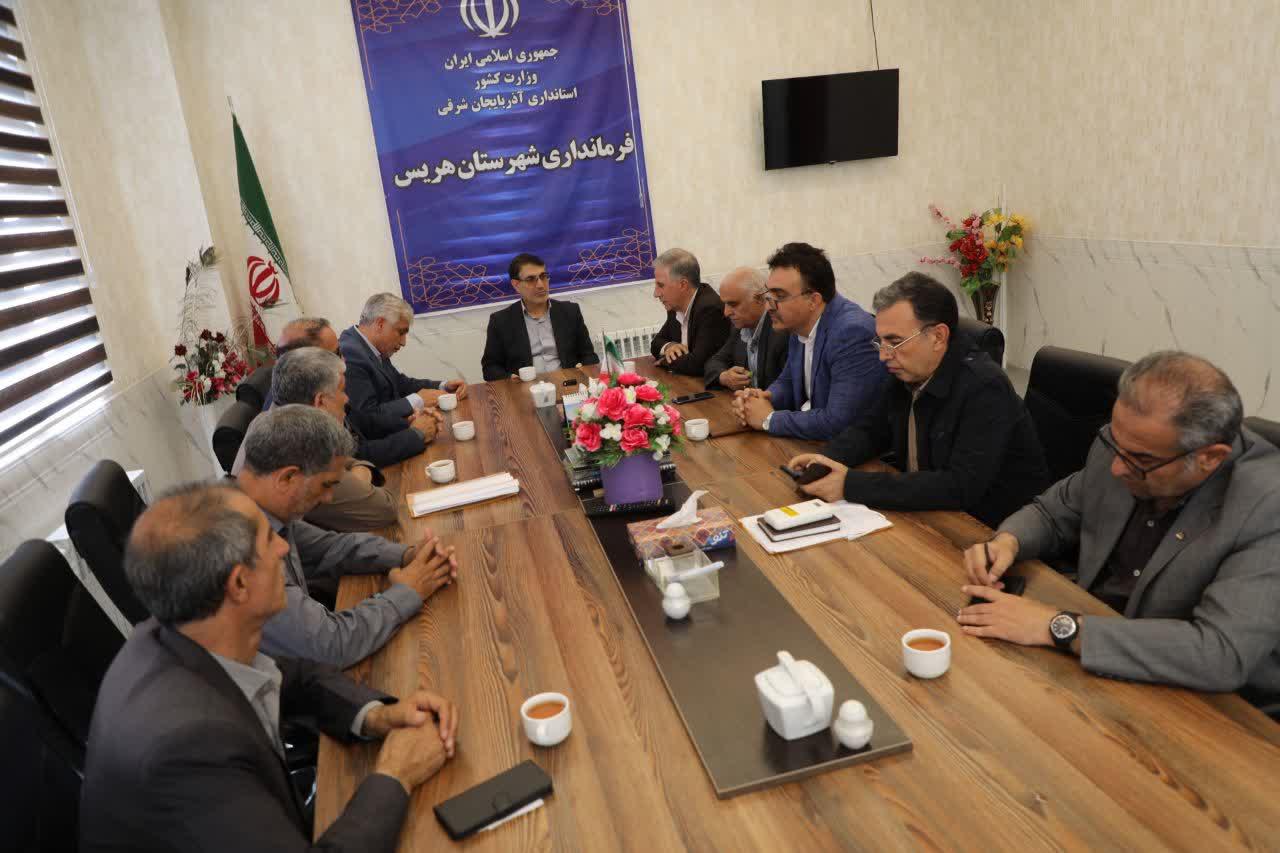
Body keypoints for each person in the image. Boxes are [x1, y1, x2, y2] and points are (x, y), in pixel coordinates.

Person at [80, 482, 459, 851]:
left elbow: (291, 677)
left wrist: (377, 715)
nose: (284, 547)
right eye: (268, 540)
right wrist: (395, 775)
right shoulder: (191, 751)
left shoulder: (178, 631)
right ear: (239, 584)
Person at [958, 351, 1280, 696]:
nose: (1116, 468)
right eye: (1115, 443)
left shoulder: (1266, 505)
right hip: (1092, 650)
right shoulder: (1125, 445)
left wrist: (1057, 626)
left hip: (1199, 698)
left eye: (1141, 460)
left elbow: (1219, 654)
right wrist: (1008, 541)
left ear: (1209, 458)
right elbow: (1052, 512)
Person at [788, 272, 1051, 527]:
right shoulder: (907, 369)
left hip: (990, 530)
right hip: (927, 513)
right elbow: (871, 430)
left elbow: (959, 486)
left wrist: (850, 485)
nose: (883, 355)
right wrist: (825, 460)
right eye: (880, 342)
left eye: (894, 342)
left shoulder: (985, 387)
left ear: (938, 337)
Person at [236, 405, 459, 669]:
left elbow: (332, 547)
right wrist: (409, 590)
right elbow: (330, 644)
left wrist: (407, 555)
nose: (329, 497)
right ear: (288, 478)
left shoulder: (259, 511)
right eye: (326, 485)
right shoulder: (240, 546)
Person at [732, 242, 886, 441]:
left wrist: (769, 419)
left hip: (851, 451)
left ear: (813, 300)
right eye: (768, 295)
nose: (769, 306)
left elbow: (838, 422)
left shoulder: (852, 333)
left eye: (779, 296)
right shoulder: (799, 323)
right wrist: (761, 399)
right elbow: (788, 381)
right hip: (812, 442)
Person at [267, 347, 397, 531]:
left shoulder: (279, 418)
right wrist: (359, 479)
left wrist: (359, 471)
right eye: (342, 390)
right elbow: (385, 508)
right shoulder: (301, 450)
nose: (347, 399)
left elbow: (351, 460)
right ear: (320, 401)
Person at [339, 293, 467, 421]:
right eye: (401, 333)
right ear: (380, 324)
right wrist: (418, 400)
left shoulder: (372, 346)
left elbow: (399, 383)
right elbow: (367, 416)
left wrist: (443, 386)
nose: (403, 342)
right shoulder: (350, 353)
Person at [480, 252, 599, 380]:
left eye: (543, 277)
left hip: (568, 384)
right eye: (531, 279)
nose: (540, 285)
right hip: (526, 387)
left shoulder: (570, 312)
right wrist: (510, 378)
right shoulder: (501, 321)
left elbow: (589, 356)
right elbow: (490, 368)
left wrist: (584, 371)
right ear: (516, 285)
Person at [702, 266, 790, 392]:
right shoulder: (740, 327)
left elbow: (787, 388)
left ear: (760, 299)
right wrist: (725, 377)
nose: (726, 313)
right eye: (725, 304)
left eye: (733, 304)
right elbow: (715, 361)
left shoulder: (782, 331)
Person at [648, 248, 731, 376]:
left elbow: (697, 365)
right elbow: (655, 343)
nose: (656, 294)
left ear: (683, 285)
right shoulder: (675, 306)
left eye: (661, 285)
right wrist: (669, 346)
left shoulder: (710, 309)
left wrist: (665, 360)